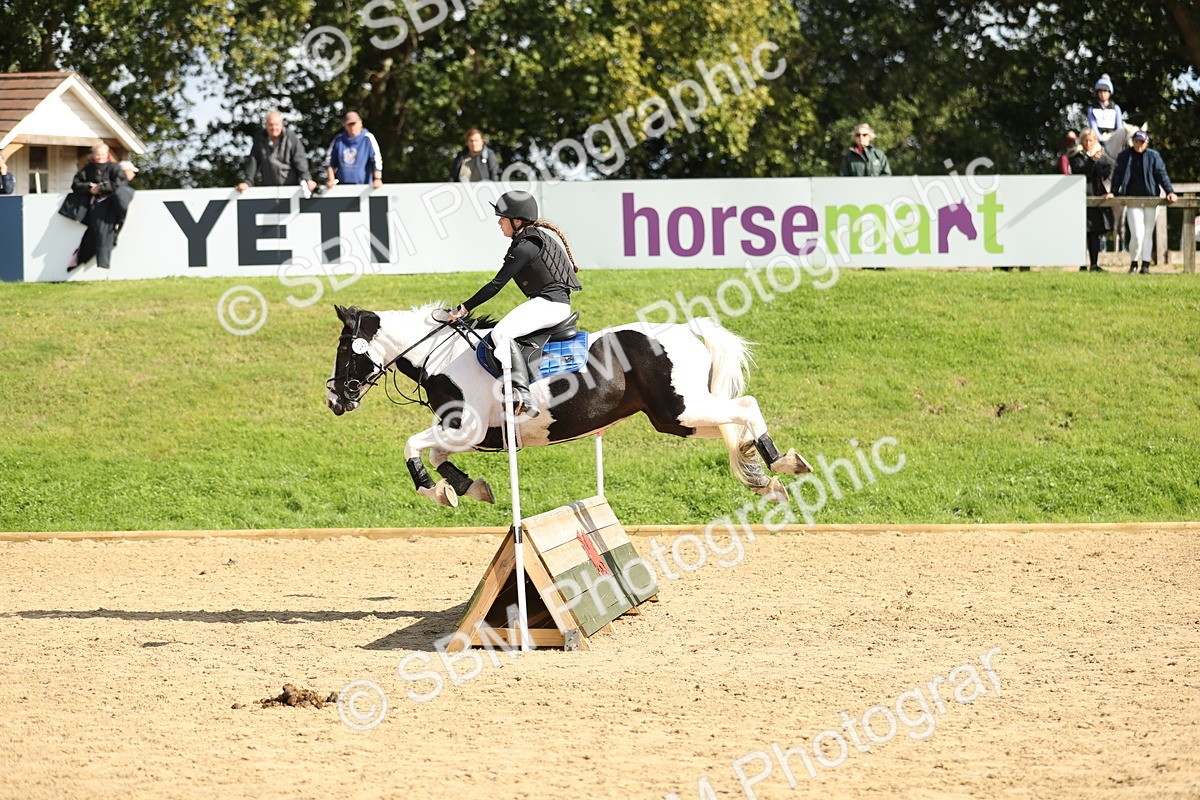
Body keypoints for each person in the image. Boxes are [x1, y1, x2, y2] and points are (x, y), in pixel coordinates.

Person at [446, 191, 582, 418]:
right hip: (553, 303)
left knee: (501, 334)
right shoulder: (534, 238)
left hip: (549, 304)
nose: (499, 222)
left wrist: (463, 308)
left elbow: (495, 285)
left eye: (503, 218)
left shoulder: (525, 247)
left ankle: (523, 393)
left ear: (517, 221)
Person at [1111, 129, 1176, 274]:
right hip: (1132, 199)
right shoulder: (1124, 156)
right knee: (1137, 234)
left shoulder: (1153, 156)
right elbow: (1117, 175)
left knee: (1148, 233)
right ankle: (1134, 262)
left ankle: (1145, 265)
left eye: (1142, 142)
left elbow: (1162, 174)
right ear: (1133, 142)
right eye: (1137, 141)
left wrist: (1170, 191)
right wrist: (1113, 191)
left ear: (1147, 143)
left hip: (1151, 199)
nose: (1139, 144)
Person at [60, 143, 127, 272]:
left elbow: (120, 185)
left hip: (112, 207)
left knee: (106, 233)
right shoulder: (87, 169)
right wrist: (89, 189)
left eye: (102, 154)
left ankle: (103, 262)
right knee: (94, 234)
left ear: (107, 154)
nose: (100, 157)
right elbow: (76, 184)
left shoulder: (115, 168)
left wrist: (101, 188)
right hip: (94, 208)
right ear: (93, 155)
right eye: (97, 154)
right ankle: (81, 260)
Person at [236, 109, 316, 193]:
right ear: (265, 125)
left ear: (282, 124)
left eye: (276, 125)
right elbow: (253, 161)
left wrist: (307, 178)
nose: (274, 128)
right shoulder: (259, 139)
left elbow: (299, 159)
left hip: (290, 189)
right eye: (271, 125)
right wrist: (248, 182)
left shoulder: (291, 138)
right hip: (269, 190)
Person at [1068, 129, 1115, 272]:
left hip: (1097, 197)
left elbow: (1111, 168)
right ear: (1081, 140)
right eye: (1086, 140)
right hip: (1080, 197)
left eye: (1091, 140)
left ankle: (1094, 264)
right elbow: (1080, 170)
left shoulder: (1101, 155)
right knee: (1082, 232)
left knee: (1095, 232)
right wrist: (1092, 160)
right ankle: (1081, 264)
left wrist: (1107, 185)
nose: (1088, 143)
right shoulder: (1075, 155)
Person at [324, 112, 383, 189]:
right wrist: (331, 179)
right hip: (341, 188)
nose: (352, 127)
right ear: (345, 125)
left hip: (363, 187)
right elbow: (330, 162)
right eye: (349, 124)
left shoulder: (368, 138)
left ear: (360, 123)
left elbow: (376, 160)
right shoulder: (338, 140)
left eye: (354, 124)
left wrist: (377, 179)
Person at [1087, 74, 1125, 146]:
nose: (1102, 94)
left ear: (1109, 93)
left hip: (1114, 140)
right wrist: (1101, 139)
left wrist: (1115, 139)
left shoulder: (1116, 108)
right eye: (1100, 91)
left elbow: (1119, 127)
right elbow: (1093, 127)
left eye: (1105, 91)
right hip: (1097, 140)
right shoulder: (1092, 109)